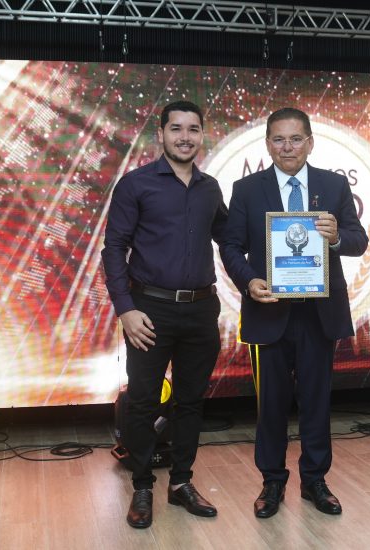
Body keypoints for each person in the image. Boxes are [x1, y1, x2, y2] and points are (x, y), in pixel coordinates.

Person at [220, 107, 368, 518]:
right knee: (271, 404)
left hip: (319, 314)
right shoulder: (246, 189)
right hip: (269, 311)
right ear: (268, 144)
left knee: (316, 402)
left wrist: (336, 237)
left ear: (310, 142)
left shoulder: (333, 185)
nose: (288, 147)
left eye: (296, 139)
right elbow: (230, 246)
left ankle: (315, 481)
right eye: (279, 139)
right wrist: (249, 280)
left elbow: (358, 240)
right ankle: (272, 482)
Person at [102, 100, 227, 529]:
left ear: (202, 135)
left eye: (193, 129)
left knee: (191, 402)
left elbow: (231, 237)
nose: (185, 137)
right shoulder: (135, 185)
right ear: (161, 134)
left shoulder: (211, 188)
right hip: (149, 311)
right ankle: (142, 486)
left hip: (201, 310)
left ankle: (181, 483)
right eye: (176, 128)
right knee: (142, 402)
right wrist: (126, 309)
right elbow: (113, 250)